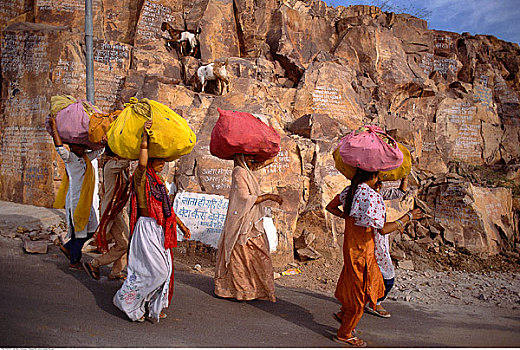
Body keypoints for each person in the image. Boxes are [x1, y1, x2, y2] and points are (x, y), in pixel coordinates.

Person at [326, 169, 421, 347]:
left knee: (355, 284)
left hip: (351, 248)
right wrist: (407, 217)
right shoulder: (370, 196)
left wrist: (346, 217)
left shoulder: (350, 190)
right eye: (378, 176)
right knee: (362, 294)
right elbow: (383, 229)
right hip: (363, 251)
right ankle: (344, 333)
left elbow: (330, 207)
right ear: (372, 177)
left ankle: (343, 314)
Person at [113, 119, 191, 322]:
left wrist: (181, 226)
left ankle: (150, 305)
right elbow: (141, 162)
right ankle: (126, 301)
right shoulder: (141, 178)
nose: (163, 163)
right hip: (146, 229)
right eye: (159, 159)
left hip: (161, 230)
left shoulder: (159, 183)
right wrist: (145, 137)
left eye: (164, 160)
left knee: (164, 272)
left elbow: (168, 210)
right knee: (155, 272)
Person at [214, 154, 283, 302]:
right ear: (240, 157)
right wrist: (269, 197)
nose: (252, 159)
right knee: (241, 258)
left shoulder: (247, 170)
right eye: (248, 156)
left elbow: (260, 164)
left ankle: (256, 290)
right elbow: (244, 198)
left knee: (259, 257)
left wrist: (270, 153)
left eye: (253, 156)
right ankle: (240, 291)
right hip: (242, 223)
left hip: (251, 223)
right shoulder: (239, 172)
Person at [49, 116, 104, 270]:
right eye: (78, 147)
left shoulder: (85, 158)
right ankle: (74, 261)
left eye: (82, 147)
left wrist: (103, 140)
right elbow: (59, 148)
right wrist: (54, 128)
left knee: (92, 229)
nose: (81, 149)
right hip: (75, 202)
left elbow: (98, 151)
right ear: (72, 147)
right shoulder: (70, 159)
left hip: (86, 202)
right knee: (79, 233)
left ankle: (67, 247)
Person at [365, 175, 410, 318]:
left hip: (379, 239)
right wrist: (407, 218)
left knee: (378, 273)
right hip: (373, 241)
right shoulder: (367, 196)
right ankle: (374, 302)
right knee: (387, 275)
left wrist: (405, 177)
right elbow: (382, 229)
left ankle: (368, 301)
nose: (380, 185)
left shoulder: (378, 194)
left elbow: (399, 193)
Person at [83, 146, 131, 280]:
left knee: (124, 241)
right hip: (111, 210)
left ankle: (116, 271)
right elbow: (127, 161)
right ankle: (95, 263)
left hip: (118, 209)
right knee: (124, 243)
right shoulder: (111, 165)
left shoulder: (118, 168)